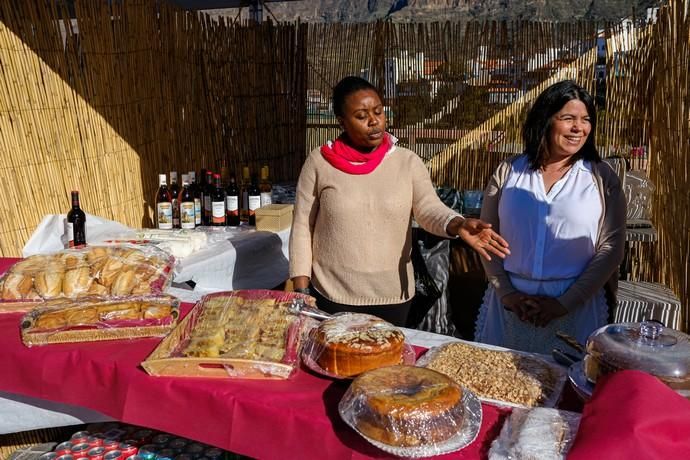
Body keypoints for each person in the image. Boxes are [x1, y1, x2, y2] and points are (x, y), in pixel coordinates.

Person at [289, 76, 510, 326]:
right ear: (342, 122)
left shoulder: (406, 162)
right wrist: (301, 288)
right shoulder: (320, 162)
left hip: (393, 297)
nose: (374, 121)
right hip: (332, 294)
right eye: (361, 116)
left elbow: (428, 208)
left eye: (378, 112)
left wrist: (457, 224)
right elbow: (301, 227)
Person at [475, 80, 626, 354]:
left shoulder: (601, 178)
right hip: (510, 305)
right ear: (545, 119)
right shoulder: (509, 171)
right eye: (568, 118)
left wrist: (564, 303)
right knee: (499, 385)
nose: (579, 128)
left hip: (576, 307)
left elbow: (612, 248)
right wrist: (507, 293)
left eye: (586, 120)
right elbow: (487, 237)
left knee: (568, 389)